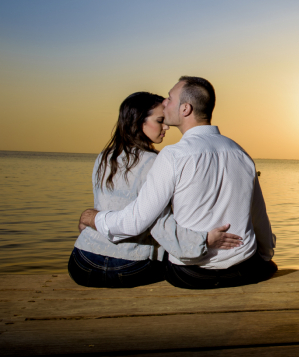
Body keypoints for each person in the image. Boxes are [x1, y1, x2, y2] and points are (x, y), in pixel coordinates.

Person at [79, 76, 277, 289]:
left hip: (192, 276)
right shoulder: (241, 153)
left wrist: (94, 218)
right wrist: (265, 256)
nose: (165, 103)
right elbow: (259, 217)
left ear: (185, 109)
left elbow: (136, 221)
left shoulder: (172, 156)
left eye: (170, 98)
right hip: (243, 270)